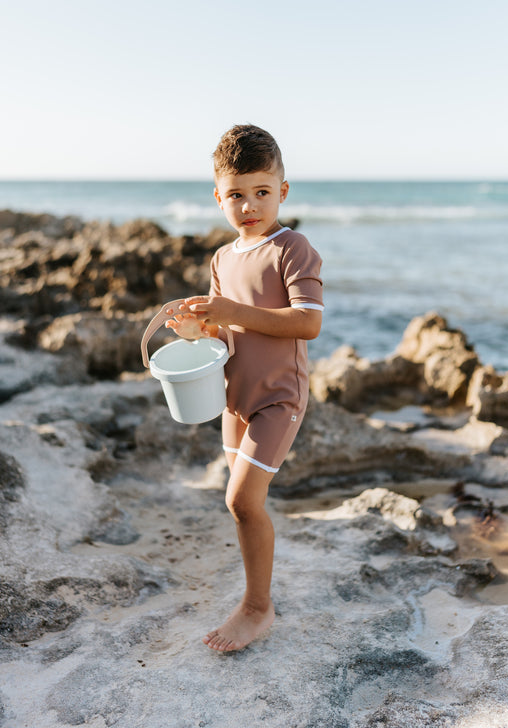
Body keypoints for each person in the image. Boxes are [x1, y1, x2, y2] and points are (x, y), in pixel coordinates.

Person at [165, 124, 324, 651]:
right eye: (236, 194)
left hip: (280, 396)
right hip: (235, 397)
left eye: (261, 191)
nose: (249, 205)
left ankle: (258, 607)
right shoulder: (222, 259)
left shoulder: (292, 248)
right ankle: (257, 595)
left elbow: (307, 323)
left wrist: (234, 311)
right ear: (218, 197)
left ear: (283, 190)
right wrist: (198, 330)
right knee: (240, 504)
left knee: (242, 499)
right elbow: (224, 329)